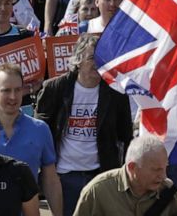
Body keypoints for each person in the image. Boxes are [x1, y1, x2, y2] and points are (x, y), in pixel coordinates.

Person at [35, 33, 133, 216]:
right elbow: (40, 133)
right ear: (78, 61)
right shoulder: (55, 89)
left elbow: (126, 135)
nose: (97, 63)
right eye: (91, 58)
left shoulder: (116, 94)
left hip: (102, 175)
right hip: (64, 176)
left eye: (101, 59)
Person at [0, 64, 63, 216]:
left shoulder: (40, 129)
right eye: (6, 90)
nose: (13, 97)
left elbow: (50, 180)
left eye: (18, 89)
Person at [73, 135, 177, 216]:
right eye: (156, 170)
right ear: (132, 167)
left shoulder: (172, 195)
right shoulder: (97, 192)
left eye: (165, 168)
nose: (163, 176)